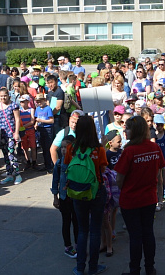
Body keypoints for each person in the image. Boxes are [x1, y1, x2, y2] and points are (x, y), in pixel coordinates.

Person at [116, 115, 164, 275]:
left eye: (127, 128)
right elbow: (158, 173)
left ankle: (134, 270)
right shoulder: (154, 148)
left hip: (131, 201)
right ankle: (150, 268)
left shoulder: (129, 151)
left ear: (134, 131)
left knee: (135, 237)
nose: (125, 131)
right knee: (148, 233)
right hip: (149, 199)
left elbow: (119, 179)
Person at [70, 115, 108, 275]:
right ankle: (93, 267)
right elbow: (104, 169)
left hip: (77, 192)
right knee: (95, 230)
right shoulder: (98, 150)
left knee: (82, 230)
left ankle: (80, 267)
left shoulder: (72, 148)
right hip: (96, 191)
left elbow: (67, 166)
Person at [0, 89, 22, 185]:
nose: (3, 98)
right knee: (5, 154)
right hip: (1, 134)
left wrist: (16, 132)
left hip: (11, 133)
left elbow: (17, 119)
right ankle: (9, 174)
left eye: (5, 95)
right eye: (1, 96)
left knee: (11, 154)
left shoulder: (13, 105)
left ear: (8, 95)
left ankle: (17, 174)